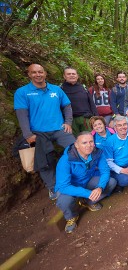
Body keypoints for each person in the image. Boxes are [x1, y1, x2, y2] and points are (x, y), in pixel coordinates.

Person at [14, 64, 76, 200]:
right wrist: (28, 134)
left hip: (59, 129)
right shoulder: (22, 92)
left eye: (40, 72)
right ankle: (53, 187)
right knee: (44, 161)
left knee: (76, 149)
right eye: (34, 72)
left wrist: (68, 123)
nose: (38, 75)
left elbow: (67, 106)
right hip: (38, 132)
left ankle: (75, 177)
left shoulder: (56, 90)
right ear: (29, 74)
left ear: (45, 73)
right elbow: (22, 114)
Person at [55, 132, 117, 233]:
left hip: (87, 181)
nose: (88, 145)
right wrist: (88, 193)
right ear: (76, 145)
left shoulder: (97, 152)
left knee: (111, 182)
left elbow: (105, 171)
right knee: (64, 201)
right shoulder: (66, 160)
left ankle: (88, 202)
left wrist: (100, 187)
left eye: (91, 141)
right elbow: (63, 186)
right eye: (84, 143)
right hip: (70, 186)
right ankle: (71, 217)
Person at [61, 67, 98, 135]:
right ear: (64, 76)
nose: (71, 75)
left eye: (73, 74)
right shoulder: (61, 89)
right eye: (69, 74)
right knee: (74, 140)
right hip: (70, 121)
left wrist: (95, 117)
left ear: (77, 76)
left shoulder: (83, 87)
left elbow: (91, 103)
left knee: (89, 138)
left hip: (85, 119)